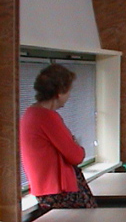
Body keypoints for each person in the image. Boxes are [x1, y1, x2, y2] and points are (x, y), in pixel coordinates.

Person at [20, 64, 97, 210]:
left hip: (44, 188)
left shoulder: (30, 114)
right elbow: (76, 156)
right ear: (60, 92)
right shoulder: (48, 117)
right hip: (58, 190)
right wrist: (76, 145)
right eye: (68, 91)